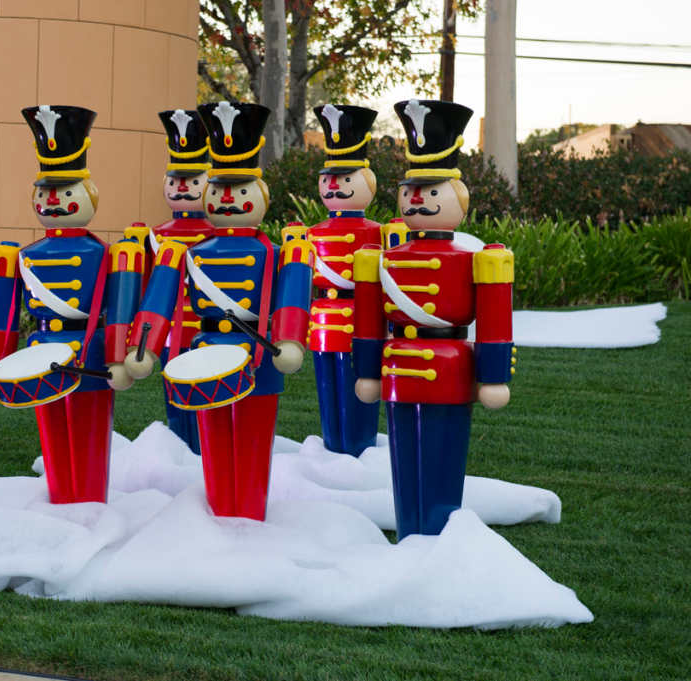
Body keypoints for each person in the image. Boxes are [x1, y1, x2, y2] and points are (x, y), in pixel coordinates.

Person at [125, 102, 313, 521]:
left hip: (257, 353)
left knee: (252, 442)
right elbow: (160, 298)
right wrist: (144, 348)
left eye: (240, 191)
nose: (228, 200)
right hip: (206, 350)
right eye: (220, 190)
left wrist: (290, 340)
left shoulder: (280, 251)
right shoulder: (184, 250)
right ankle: (219, 512)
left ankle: (249, 516)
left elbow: (291, 296)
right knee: (213, 446)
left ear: (260, 194)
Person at [352, 99, 516, 539]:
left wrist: (494, 376)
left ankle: (439, 536)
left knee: (443, 457)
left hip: (449, 364)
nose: (418, 199)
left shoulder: (478, 257)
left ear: (459, 198)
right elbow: (368, 317)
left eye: (431, 192)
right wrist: (367, 369)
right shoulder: (382, 257)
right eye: (411, 191)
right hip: (398, 362)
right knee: (403, 458)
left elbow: (495, 319)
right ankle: (410, 531)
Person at [0, 105, 141, 504]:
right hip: (40, 352)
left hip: (90, 354)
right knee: (52, 438)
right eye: (45, 193)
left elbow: (121, 311)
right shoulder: (22, 254)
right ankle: (59, 503)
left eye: (65, 193)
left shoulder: (110, 253)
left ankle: (89, 509)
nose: (52, 201)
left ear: (88, 195)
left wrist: (118, 358)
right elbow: (3, 313)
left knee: (88, 442)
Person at [128, 109, 216, 454]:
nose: (181, 188)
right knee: (175, 394)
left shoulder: (219, 233)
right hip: (167, 329)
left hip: (207, 326)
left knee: (209, 390)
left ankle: (206, 448)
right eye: (176, 181)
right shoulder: (155, 234)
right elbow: (147, 285)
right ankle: (180, 449)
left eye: (193, 182)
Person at [306, 104, 382, 457]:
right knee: (327, 391)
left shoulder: (380, 232)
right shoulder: (311, 232)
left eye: (345, 179)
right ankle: (332, 448)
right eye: (329, 178)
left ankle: (357, 451)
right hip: (323, 318)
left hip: (361, 319)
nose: (334, 185)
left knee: (357, 388)